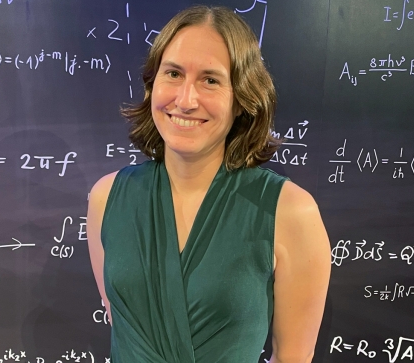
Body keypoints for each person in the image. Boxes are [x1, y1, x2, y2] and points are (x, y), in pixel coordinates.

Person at [87, 5, 331, 363]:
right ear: (152, 83)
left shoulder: (290, 211)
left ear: (242, 99)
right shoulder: (107, 198)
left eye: (211, 80)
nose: (185, 101)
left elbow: (293, 357)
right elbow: (117, 317)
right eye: (173, 74)